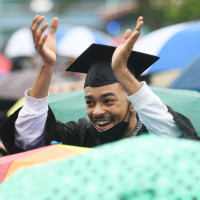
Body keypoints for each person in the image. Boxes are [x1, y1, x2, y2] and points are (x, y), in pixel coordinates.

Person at [0, 15, 198, 155]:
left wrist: (122, 73)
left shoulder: (154, 132)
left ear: (133, 101)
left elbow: (176, 141)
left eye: (108, 100)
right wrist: (46, 66)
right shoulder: (82, 134)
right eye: (90, 102)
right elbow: (28, 140)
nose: (97, 111)